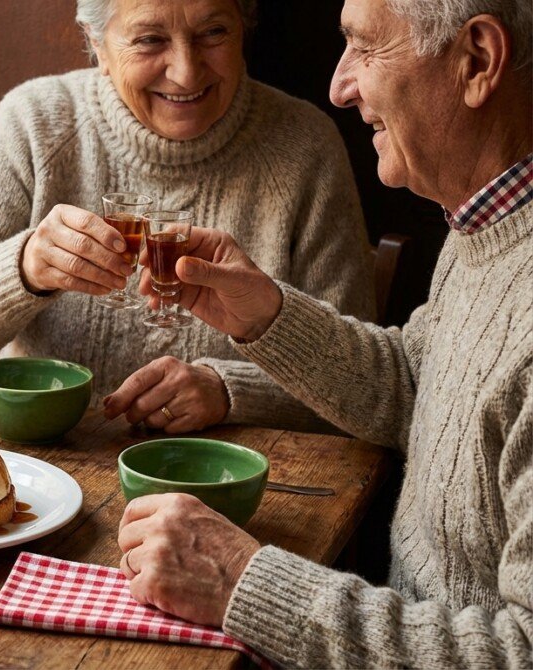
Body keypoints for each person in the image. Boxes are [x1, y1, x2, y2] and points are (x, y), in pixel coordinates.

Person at [106, 0, 533, 665]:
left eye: (365, 49)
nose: (339, 85)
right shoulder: (485, 227)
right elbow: (417, 386)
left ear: (476, 60)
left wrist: (244, 582)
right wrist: (268, 319)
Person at [0, 0, 375, 434]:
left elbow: (360, 381)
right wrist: (22, 269)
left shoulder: (304, 146)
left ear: (243, 29)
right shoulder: (36, 123)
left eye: (213, 33)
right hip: (49, 473)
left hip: (227, 485)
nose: (186, 73)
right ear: (97, 45)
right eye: (150, 40)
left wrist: (227, 390)